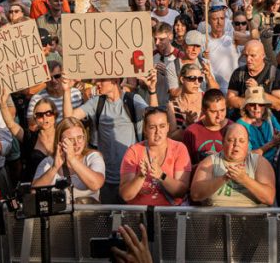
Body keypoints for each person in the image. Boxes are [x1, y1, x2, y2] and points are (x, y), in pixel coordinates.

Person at [66, 72, 158, 204]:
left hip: (132, 177)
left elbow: (153, 117)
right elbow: (69, 119)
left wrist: (152, 90)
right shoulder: (96, 102)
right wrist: (66, 90)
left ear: (115, 80)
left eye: (101, 80)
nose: (96, 83)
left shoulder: (132, 100)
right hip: (106, 180)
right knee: (110, 221)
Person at [189, 122, 276, 207]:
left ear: (248, 144)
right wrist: (224, 178)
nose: (236, 145)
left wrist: (244, 179)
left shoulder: (259, 162)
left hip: (252, 219)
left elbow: (269, 198)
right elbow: (195, 195)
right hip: (217, 217)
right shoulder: (210, 161)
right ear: (223, 142)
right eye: (230, 140)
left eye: (241, 141)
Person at [119, 106, 192, 205]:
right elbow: (125, 195)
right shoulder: (134, 151)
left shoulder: (179, 148)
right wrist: (140, 176)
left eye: (162, 126)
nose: (158, 132)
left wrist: (161, 175)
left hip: (169, 215)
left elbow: (180, 192)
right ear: (145, 130)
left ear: (168, 127)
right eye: (152, 127)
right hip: (140, 215)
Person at [33, 118, 106, 204]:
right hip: (60, 214)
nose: (76, 143)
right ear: (60, 142)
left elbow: (96, 184)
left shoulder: (93, 157)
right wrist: (54, 168)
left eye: (79, 137)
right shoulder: (48, 161)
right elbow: (34, 193)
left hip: (88, 214)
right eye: (70, 140)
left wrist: (72, 160)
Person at [237, 86, 280, 162]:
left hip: (276, 162)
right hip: (256, 166)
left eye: (261, 104)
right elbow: (247, 155)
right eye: (252, 104)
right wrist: (272, 143)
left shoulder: (269, 116)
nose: (256, 108)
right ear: (246, 106)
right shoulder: (239, 126)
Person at [181, 88, 229, 167]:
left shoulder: (234, 129)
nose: (219, 116)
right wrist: (204, 164)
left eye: (222, 110)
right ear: (203, 110)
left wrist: (219, 159)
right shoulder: (191, 132)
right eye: (214, 112)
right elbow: (185, 168)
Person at [167, 63, 204, 138]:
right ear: (182, 79)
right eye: (192, 78)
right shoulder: (172, 105)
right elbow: (171, 138)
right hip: (184, 148)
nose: (197, 83)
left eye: (200, 79)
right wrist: (186, 125)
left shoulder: (206, 98)